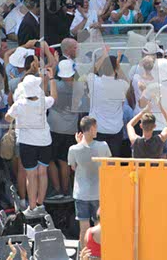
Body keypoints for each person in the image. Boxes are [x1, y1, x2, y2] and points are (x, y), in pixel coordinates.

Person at [6, 70, 58, 216]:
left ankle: (32, 206)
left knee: (31, 175)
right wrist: (51, 78)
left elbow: (7, 118)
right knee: (43, 173)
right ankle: (40, 204)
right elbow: (54, 97)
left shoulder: (19, 104)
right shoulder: (43, 101)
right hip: (44, 141)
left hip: (27, 142)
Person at [68, 116, 112, 249]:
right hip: (98, 192)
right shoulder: (103, 145)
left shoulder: (73, 149)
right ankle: (100, 254)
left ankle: (84, 255)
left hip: (81, 193)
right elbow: (109, 164)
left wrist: (78, 143)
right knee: (100, 226)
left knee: (83, 228)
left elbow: (73, 167)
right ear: (92, 128)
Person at [47, 59, 82, 200]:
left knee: (50, 160)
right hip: (70, 129)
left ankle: (57, 190)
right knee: (64, 161)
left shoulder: (54, 84)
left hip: (54, 128)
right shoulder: (79, 86)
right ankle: (66, 190)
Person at [87, 49, 129, 158]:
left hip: (97, 128)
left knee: (97, 161)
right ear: (116, 69)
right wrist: (118, 66)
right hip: (115, 129)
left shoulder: (94, 82)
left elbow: (91, 71)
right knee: (113, 161)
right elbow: (126, 80)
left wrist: (103, 55)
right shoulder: (122, 84)